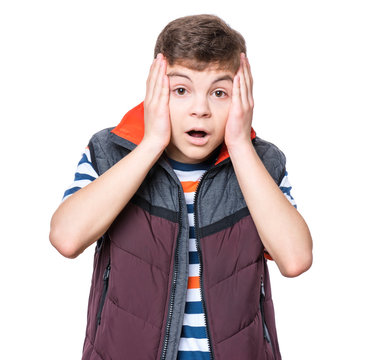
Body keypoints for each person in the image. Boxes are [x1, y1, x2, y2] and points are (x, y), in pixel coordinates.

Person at [49, 14, 312, 360]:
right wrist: (150, 143)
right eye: (181, 90)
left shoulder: (262, 163)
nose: (200, 109)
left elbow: (295, 259)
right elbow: (66, 238)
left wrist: (241, 145)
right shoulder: (109, 152)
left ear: (241, 97)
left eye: (219, 93)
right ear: (155, 91)